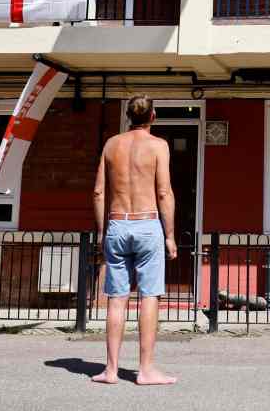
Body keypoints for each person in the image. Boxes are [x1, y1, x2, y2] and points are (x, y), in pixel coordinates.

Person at [92, 95, 178, 387]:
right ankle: (146, 370)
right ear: (152, 115)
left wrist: (103, 231)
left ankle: (111, 370)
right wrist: (169, 235)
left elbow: (98, 193)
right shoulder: (158, 146)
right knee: (148, 295)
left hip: (117, 222)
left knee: (116, 298)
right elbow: (164, 192)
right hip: (146, 224)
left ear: (129, 116)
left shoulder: (111, 145)